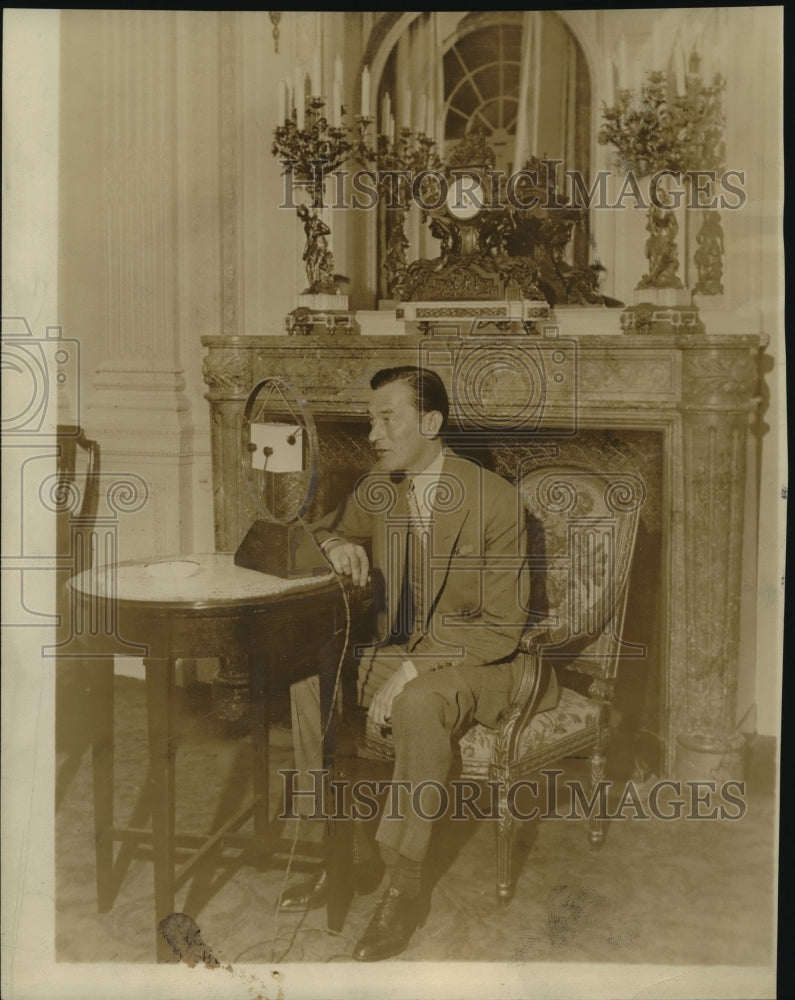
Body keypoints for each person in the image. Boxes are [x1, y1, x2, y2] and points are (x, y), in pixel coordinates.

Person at [283, 365, 559, 961]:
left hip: (487, 662)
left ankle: (403, 888)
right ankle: (334, 848)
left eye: (388, 419)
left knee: (416, 702)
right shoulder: (381, 487)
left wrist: (414, 668)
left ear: (430, 422)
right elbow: (312, 533)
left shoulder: (495, 499)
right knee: (308, 676)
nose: (374, 434)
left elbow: (502, 625)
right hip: (404, 653)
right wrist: (338, 543)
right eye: (370, 420)